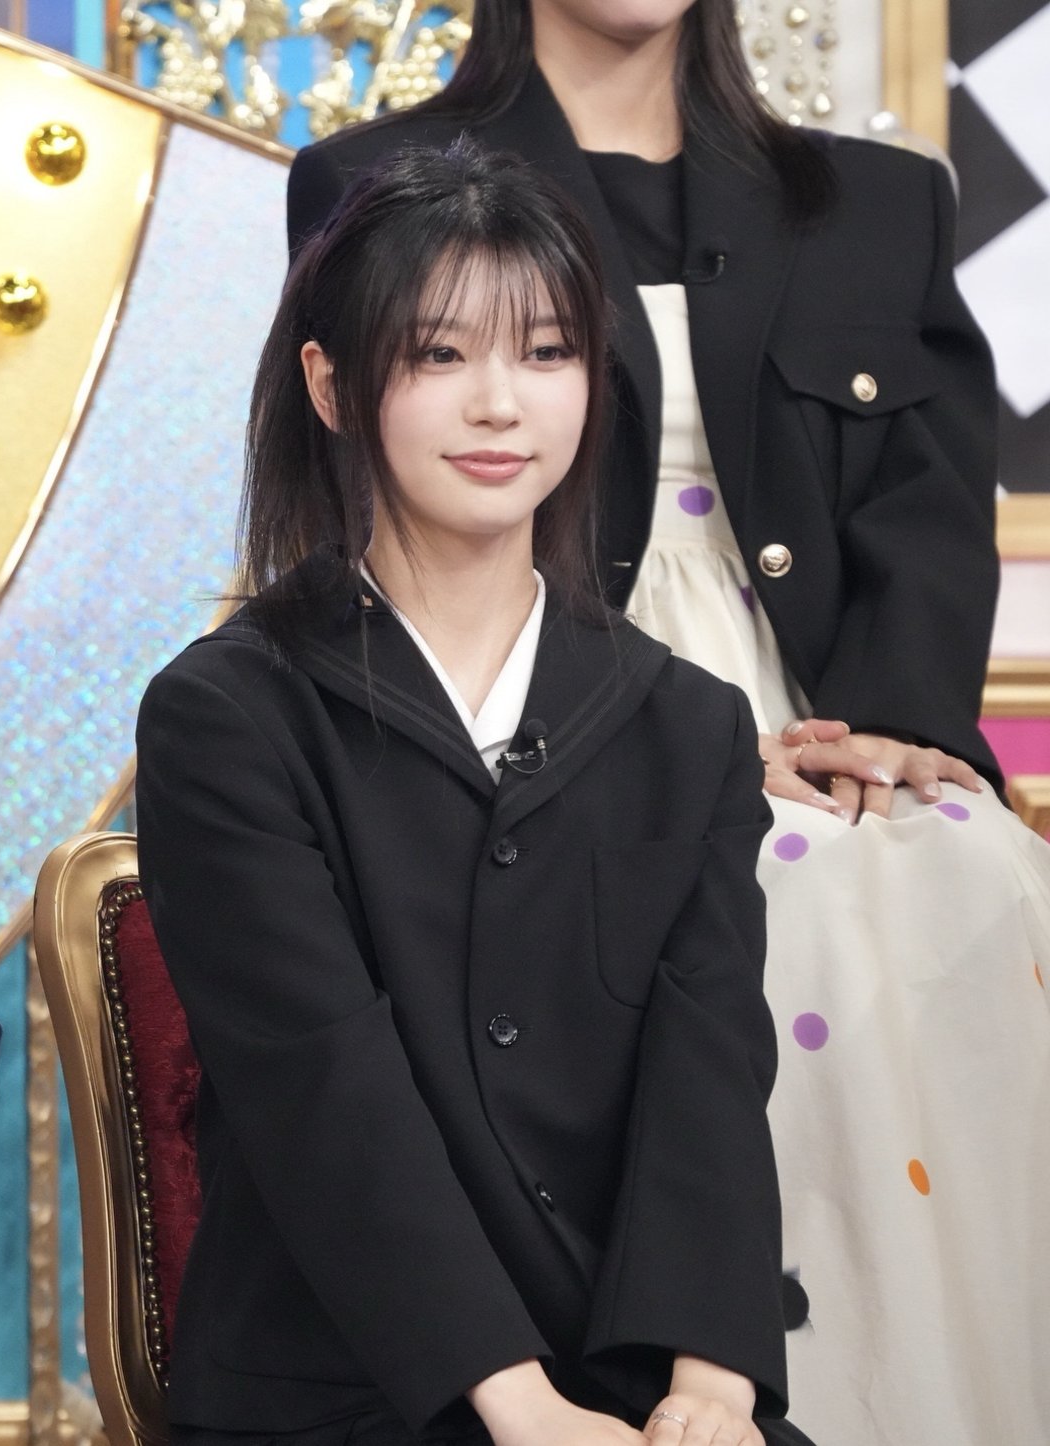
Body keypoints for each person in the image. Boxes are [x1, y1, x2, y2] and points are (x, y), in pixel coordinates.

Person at [287, 5, 1050, 1441]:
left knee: (956, 872)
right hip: (546, 725)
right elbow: (395, 528)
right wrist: (671, 754)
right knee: (765, 886)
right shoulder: (379, 182)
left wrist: (886, 732)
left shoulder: (882, 200)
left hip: (827, 727)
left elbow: (930, 515)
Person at [137, 140, 812, 1446]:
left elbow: (709, 1075)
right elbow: (323, 1091)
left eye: (547, 353)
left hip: (627, 1366)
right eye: (440, 354)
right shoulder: (227, 715)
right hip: (349, 1385)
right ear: (331, 384)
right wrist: (516, 1404)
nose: (501, 404)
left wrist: (710, 1385)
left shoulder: (690, 724)